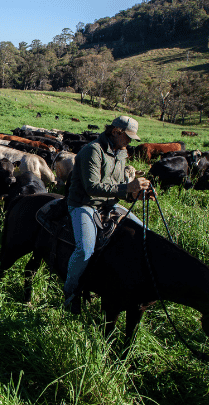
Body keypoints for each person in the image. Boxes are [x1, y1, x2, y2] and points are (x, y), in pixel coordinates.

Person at [63, 116, 155, 309]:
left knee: (144, 232)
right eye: (128, 137)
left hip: (109, 204)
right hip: (84, 204)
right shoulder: (92, 151)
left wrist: (136, 195)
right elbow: (92, 187)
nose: (130, 142)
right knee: (85, 249)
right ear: (115, 132)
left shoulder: (121, 153)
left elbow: (119, 185)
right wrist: (128, 188)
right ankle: (70, 292)